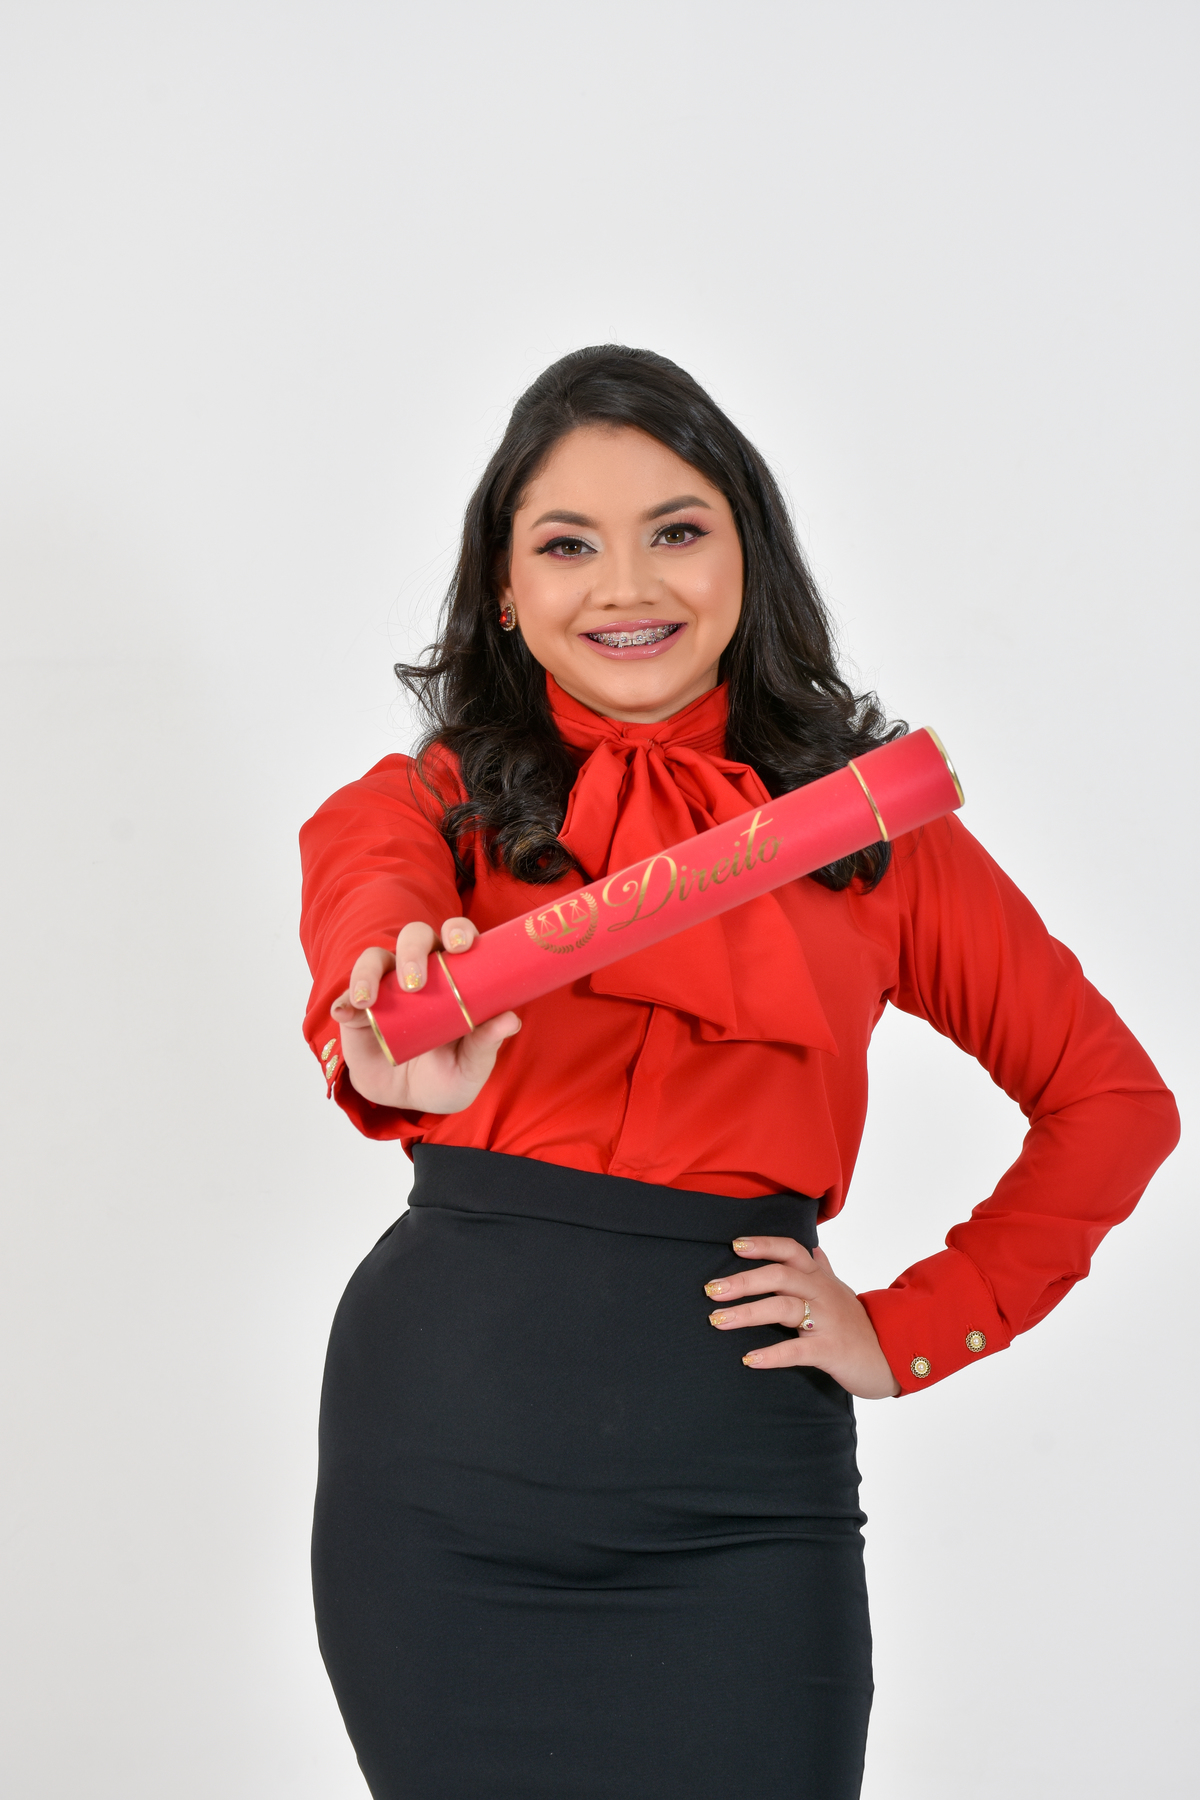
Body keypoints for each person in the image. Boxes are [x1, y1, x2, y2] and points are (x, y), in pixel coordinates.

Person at [298, 346, 1178, 1800]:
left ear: (747, 556)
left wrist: (912, 1330)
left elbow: (1114, 1104)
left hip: (739, 1495)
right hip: (443, 1480)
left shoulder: (875, 836)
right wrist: (397, 1025)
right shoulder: (416, 809)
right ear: (504, 589)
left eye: (676, 530)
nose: (626, 585)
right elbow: (369, 935)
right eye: (567, 544)